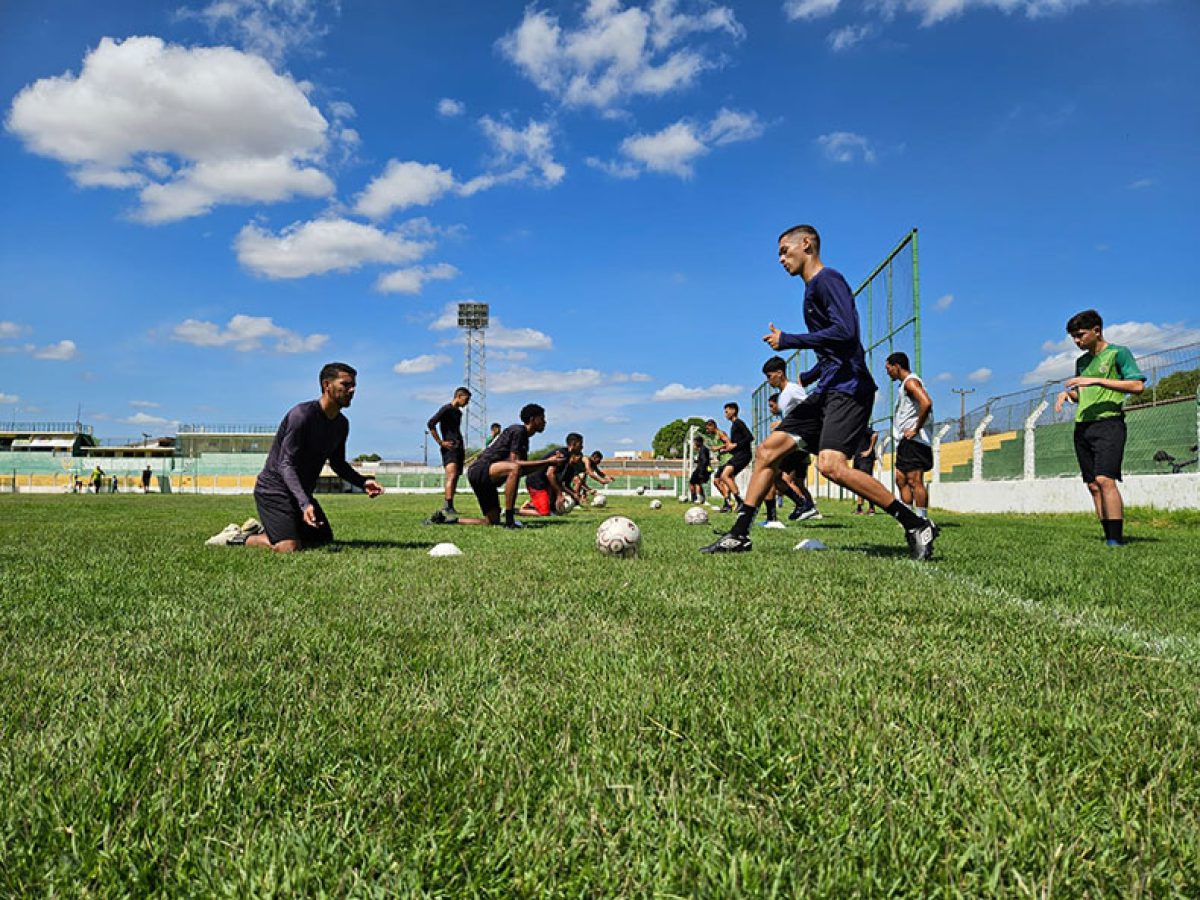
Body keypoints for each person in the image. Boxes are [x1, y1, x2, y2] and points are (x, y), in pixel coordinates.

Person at [702, 223, 937, 559]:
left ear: (807, 244)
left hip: (850, 389)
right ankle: (739, 534)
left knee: (831, 466)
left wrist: (790, 340)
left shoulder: (828, 281)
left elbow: (846, 332)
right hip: (828, 388)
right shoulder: (812, 290)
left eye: (785, 250)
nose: (781, 259)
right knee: (768, 451)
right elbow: (834, 349)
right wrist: (812, 374)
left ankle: (915, 523)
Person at [242, 362, 383, 553]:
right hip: (274, 491)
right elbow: (286, 463)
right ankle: (241, 537)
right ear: (327, 385)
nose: (352, 390)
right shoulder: (302, 415)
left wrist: (363, 482)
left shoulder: (341, 424)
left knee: (322, 540)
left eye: (353, 385)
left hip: (301, 494)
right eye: (346, 384)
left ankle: (272, 528)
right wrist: (304, 502)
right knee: (289, 547)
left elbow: (338, 464)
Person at [1054, 309, 1145, 546]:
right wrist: (1068, 395)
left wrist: (1096, 379)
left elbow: (1137, 386)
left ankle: (1116, 539)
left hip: (1109, 423)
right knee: (1093, 485)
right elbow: (1082, 394)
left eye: (1080, 335)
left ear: (1097, 331)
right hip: (1083, 425)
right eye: (1073, 337)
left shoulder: (1118, 353)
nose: (1076, 341)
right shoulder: (1082, 362)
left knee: (1106, 479)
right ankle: (1108, 536)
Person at [433, 404, 556, 527]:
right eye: (542, 418)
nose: (545, 422)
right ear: (532, 419)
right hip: (481, 469)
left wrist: (547, 463)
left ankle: (445, 521)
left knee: (492, 522)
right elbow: (515, 464)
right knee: (514, 468)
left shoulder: (523, 438)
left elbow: (522, 469)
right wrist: (547, 462)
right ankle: (509, 519)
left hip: (484, 477)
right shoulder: (519, 431)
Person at [761, 356, 820, 522]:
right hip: (792, 441)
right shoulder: (782, 396)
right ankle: (803, 504)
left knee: (769, 470)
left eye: (769, 376)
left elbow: (810, 407)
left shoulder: (793, 389)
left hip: (798, 442)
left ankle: (797, 507)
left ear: (779, 373)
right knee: (775, 477)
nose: (768, 381)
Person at [885, 352, 934, 518]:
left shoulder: (911, 382)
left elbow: (926, 402)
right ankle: (907, 518)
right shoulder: (903, 385)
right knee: (900, 479)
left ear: (897, 366)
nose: (887, 372)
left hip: (915, 441)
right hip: (905, 441)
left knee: (914, 480)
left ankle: (922, 519)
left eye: (888, 368)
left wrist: (916, 428)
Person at [427, 387, 471, 522]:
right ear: (459, 396)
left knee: (457, 475)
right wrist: (440, 442)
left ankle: (451, 504)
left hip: (459, 446)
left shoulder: (459, 413)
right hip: (449, 447)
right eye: (466, 399)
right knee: (451, 475)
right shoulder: (446, 409)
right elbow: (431, 423)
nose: (467, 403)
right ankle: (447, 505)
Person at [520, 433, 584, 516]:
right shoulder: (562, 454)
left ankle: (532, 505)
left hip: (545, 483)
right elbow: (550, 474)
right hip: (536, 482)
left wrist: (574, 495)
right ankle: (515, 511)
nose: (582, 447)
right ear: (573, 444)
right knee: (545, 513)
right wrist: (559, 495)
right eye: (580, 444)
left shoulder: (568, 459)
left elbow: (561, 483)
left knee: (553, 510)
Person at [713, 403, 753, 512]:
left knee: (724, 475)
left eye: (726, 412)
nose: (725, 414)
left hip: (744, 455)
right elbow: (738, 444)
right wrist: (728, 449)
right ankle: (732, 502)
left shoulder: (738, 423)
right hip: (739, 454)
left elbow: (750, 437)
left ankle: (739, 501)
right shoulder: (733, 425)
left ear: (733, 411)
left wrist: (734, 445)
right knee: (726, 477)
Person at [853, 430, 878, 515]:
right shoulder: (854, 431)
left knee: (867, 483)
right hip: (857, 459)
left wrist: (869, 450)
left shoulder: (863, 427)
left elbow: (874, 435)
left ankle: (871, 508)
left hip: (866, 459)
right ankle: (859, 508)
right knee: (858, 484)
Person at [688, 435, 711, 503]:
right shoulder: (702, 449)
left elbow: (704, 460)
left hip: (701, 469)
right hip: (701, 468)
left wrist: (701, 471)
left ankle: (696, 498)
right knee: (696, 483)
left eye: (695, 442)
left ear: (699, 442)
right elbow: (704, 460)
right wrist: (697, 461)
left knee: (695, 483)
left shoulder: (703, 449)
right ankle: (699, 497)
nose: (694, 444)